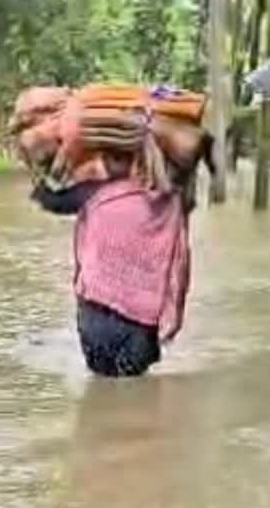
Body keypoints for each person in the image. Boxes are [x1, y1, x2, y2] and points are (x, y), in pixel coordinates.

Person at [31, 150, 196, 377]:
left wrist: (38, 169)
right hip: (142, 319)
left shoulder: (94, 192)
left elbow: (48, 199)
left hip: (95, 313)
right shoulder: (169, 200)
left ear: (105, 160)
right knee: (136, 393)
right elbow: (181, 264)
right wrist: (176, 313)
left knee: (101, 388)